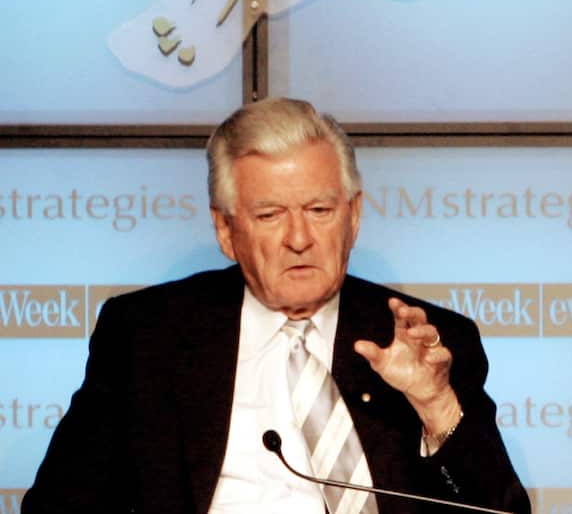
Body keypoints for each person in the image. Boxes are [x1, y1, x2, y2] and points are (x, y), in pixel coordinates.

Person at [23, 97, 530, 514]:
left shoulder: (428, 340)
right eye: (269, 215)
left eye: (319, 210)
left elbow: (501, 511)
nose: (299, 239)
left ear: (353, 216)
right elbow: (58, 506)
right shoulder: (147, 335)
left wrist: (436, 405)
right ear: (226, 230)